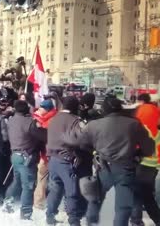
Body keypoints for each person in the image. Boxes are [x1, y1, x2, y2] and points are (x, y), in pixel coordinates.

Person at [65, 97, 155, 226]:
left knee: (95, 199)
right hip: (125, 168)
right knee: (123, 206)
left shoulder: (94, 125)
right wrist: (137, 155)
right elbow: (149, 148)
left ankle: (91, 222)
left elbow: (81, 144)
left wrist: (94, 152)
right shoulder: (133, 124)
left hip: (103, 167)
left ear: (104, 110)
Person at [45, 96, 86, 226]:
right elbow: (81, 140)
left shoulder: (53, 118)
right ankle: (74, 220)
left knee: (55, 189)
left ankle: (50, 216)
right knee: (71, 191)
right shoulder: (75, 121)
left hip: (52, 160)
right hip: (66, 160)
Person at [3, 100, 47, 220]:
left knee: (16, 181)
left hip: (14, 156)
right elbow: (43, 136)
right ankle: (26, 213)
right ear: (26, 109)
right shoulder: (29, 122)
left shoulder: (11, 121)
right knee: (27, 185)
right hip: (26, 157)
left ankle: (7, 203)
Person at [130, 93, 160, 226]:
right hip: (153, 164)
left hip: (140, 162)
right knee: (147, 194)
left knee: (137, 194)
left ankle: (136, 220)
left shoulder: (140, 127)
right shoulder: (157, 127)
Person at [32, 99, 57, 210]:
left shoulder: (50, 121)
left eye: (42, 108)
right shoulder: (43, 118)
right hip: (44, 152)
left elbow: (44, 136)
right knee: (44, 178)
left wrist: (37, 125)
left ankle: (39, 203)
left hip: (47, 154)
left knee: (42, 178)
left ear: (47, 110)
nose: (39, 109)